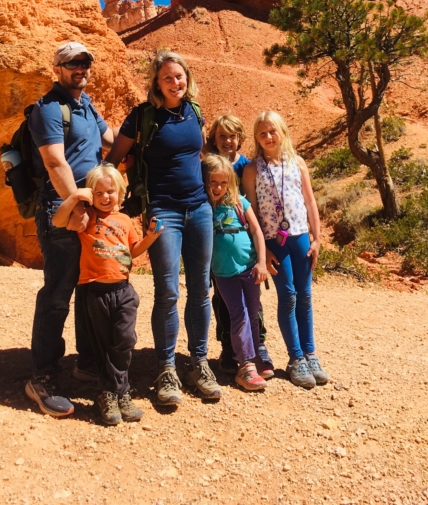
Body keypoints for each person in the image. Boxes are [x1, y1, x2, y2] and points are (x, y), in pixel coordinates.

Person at [107, 50, 219, 406]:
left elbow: (196, 155)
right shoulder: (142, 116)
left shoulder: (195, 112)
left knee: (201, 289)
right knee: (168, 291)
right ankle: (166, 367)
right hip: (163, 211)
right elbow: (112, 160)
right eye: (168, 78)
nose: (176, 82)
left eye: (180, 76)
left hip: (199, 208)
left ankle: (198, 362)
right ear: (157, 82)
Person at [25, 41, 116, 419]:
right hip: (62, 209)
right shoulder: (49, 109)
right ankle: (41, 378)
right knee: (58, 292)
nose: (80, 67)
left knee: (89, 285)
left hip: (89, 209)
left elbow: (110, 141)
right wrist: (75, 204)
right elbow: (54, 161)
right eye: (72, 63)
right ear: (58, 68)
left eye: (85, 62)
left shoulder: (86, 104)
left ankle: (86, 364)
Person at [52, 164, 163, 425]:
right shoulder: (86, 217)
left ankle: (118, 391)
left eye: (110, 192)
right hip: (95, 290)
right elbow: (58, 221)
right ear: (92, 194)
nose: (105, 197)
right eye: (98, 192)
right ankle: (111, 394)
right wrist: (76, 198)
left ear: (120, 194)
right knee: (103, 345)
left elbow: (133, 251)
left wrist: (150, 237)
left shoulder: (124, 221)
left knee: (124, 340)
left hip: (123, 290)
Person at [243, 110, 329, 390]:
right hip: (273, 242)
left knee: (305, 295)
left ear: (282, 132)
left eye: (272, 131)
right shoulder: (253, 168)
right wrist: (261, 252)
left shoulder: (297, 162)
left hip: (301, 237)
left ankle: (310, 354)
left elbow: (310, 201)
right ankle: (295, 359)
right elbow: (250, 211)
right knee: (288, 295)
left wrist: (317, 238)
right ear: (256, 137)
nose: (268, 137)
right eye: (262, 133)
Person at [205, 115, 275, 378]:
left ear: (240, 139)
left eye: (232, 136)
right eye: (221, 136)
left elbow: (254, 205)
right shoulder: (208, 165)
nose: (227, 141)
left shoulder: (247, 165)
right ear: (214, 139)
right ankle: (228, 347)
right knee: (224, 301)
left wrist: (262, 251)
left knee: (252, 304)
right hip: (219, 250)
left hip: (244, 244)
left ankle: (258, 348)